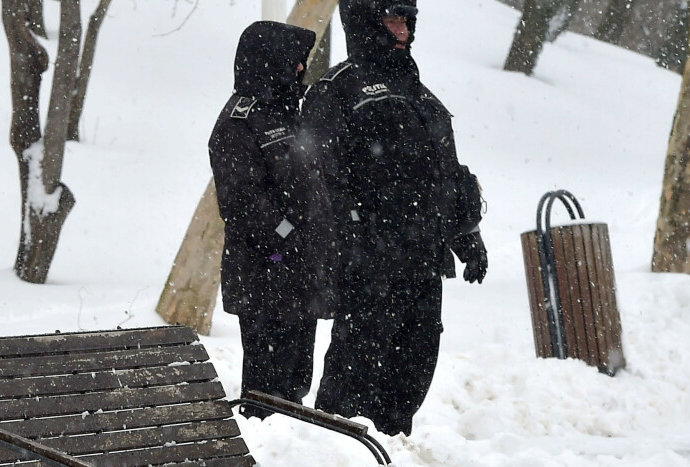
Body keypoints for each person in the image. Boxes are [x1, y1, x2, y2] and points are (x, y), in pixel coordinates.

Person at [296, 0, 487, 435]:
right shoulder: (336, 90)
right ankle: (333, 455)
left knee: (412, 372)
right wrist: (356, 241)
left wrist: (466, 235)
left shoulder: (418, 91)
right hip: (370, 265)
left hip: (423, 262)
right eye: (393, 21)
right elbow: (319, 181)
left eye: (408, 21)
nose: (404, 32)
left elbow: (446, 171)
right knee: (354, 375)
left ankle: (392, 455)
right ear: (367, 21)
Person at [208, 21, 322, 415]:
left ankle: (294, 451)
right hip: (264, 271)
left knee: (294, 379)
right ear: (269, 60)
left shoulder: (290, 113)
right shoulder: (240, 120)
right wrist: (286, 235)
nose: (299, 70)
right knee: (267, 385)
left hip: (296, 272)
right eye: (293, 61)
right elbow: (242, 200)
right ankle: (264, 450)